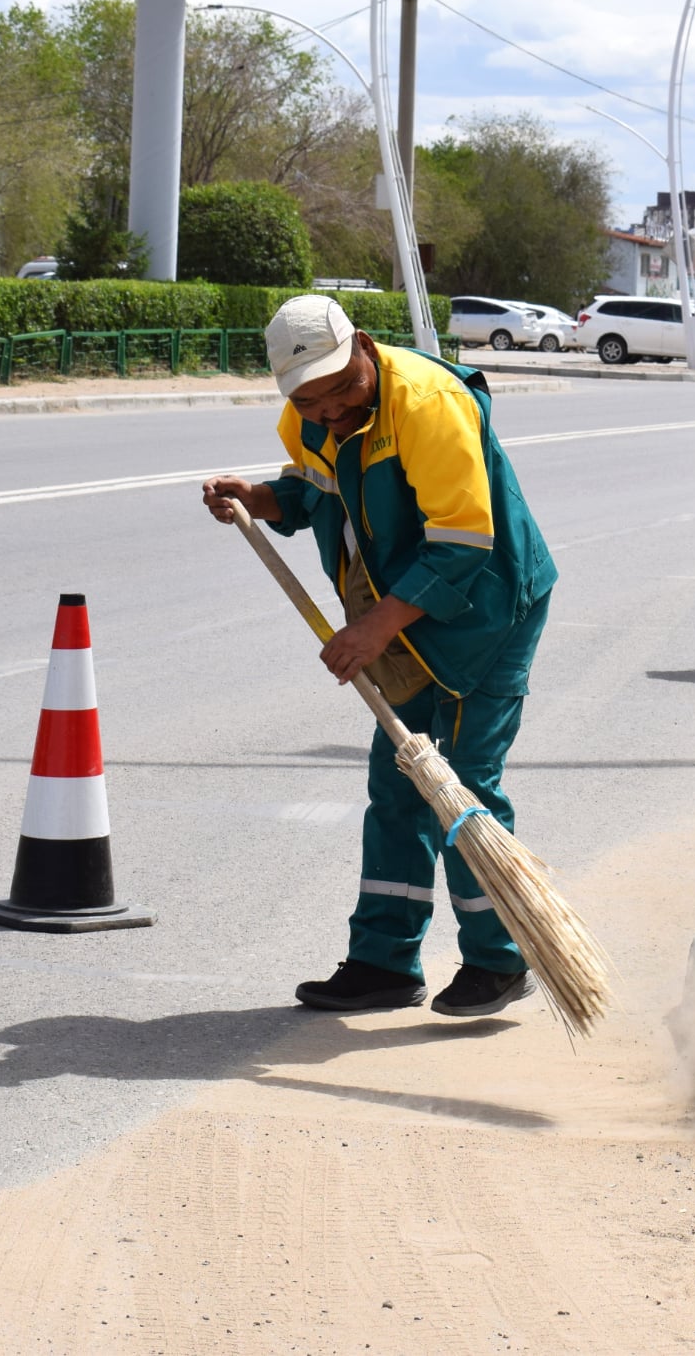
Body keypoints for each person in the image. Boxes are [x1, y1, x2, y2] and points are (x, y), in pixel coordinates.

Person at [203, 296, 557, 1018]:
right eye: (310, 401)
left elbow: (463, 541)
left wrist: (374, 630)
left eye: (343, 389)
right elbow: (317, 492)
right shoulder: (308, 418)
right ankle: (383, 963)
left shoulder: (427, 404)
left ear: (364, 346)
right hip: (398, 611)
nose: (330, 411)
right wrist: (259, 498)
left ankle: (500, 959)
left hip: (486, 608)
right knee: (399, 784)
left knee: (463, 785)